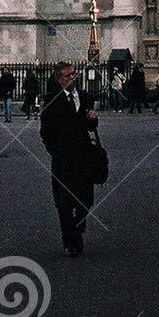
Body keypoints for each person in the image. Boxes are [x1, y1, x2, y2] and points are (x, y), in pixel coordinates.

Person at [40, 62, 100, 256]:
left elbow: (90, 126)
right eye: (67, 76)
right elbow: (45, 133)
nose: (72, 78)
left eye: (74, 74)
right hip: (63, 160)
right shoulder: (51, 101)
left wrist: (92, 119)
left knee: (85, 199)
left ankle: (78, 226)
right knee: (64, 203)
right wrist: (56, 152)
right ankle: (70, 242)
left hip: (83, 157)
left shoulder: (85, 97)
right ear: (59, 80)